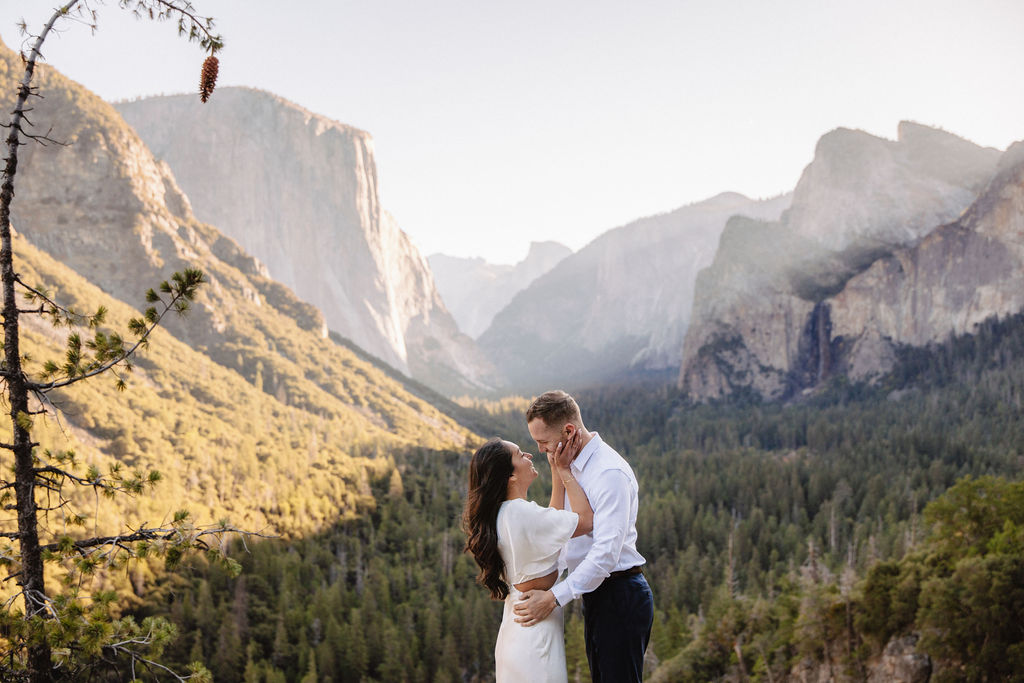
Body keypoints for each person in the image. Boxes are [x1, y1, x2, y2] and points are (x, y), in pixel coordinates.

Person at [513, 390, 654, 682]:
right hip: (597, 596)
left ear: (568, 431)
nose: (540, 450)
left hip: (620, 595)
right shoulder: (569, 467)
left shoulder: (608, 472)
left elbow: (605, 555)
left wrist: (553, 597)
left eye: (543, 442)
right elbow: (565, 535)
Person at [463, 435, 593, 682]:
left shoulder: (505, 512)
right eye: (520, 454)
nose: (530, 455)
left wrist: (556, 470)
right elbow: (585, 520)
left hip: (518, 630)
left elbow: (552, 523)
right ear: (510, 476)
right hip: (535, 638)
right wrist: (565, 470)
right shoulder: (521, 513)